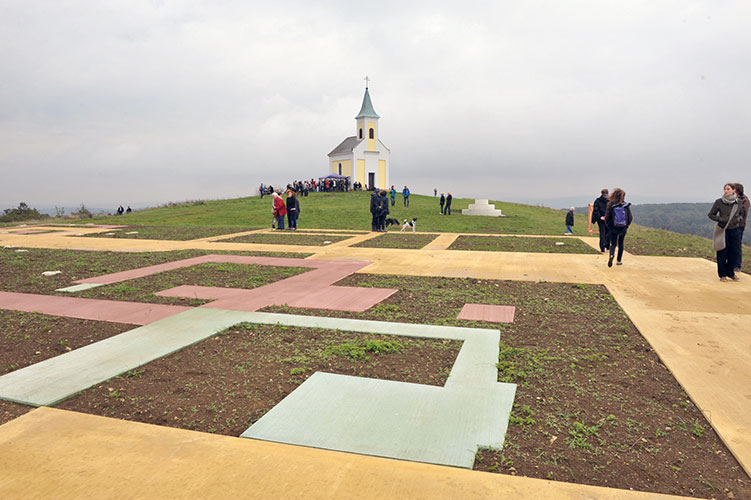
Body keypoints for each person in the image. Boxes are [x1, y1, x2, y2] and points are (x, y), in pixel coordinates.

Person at [708, 183, 744, 281]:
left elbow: (742, 214)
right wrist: (721, 219)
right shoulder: (719, 202)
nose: (726, 191)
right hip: (722, 230)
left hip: (735, 230)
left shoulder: (739, 202)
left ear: (733, 190)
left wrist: (738, 219)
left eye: (728, 189)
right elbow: (711, 215)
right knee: (722, 252)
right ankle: (722, 274)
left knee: (735, 252)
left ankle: (730, 272)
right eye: (725, 189)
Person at [604, 188, 632, 267]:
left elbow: (607, 216)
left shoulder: (610, 204)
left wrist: (608, 225)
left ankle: (612, 255)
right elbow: (629, 217)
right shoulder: (625, 205)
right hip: (623, 227)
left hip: (613, 227)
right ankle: (619, 260)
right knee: (621, 243)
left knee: (613, 243)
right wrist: (627, 225)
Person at [733, 183, 749, 272]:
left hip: (739, 225)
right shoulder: (736, 199)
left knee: (737, 245)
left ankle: (737, 265)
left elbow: (743, 213)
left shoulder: (744, 200)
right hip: (733, 225)